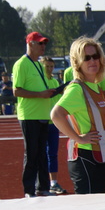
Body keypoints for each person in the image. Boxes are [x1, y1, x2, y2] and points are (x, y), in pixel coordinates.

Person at [50, 36, 105, 195]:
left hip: (101, 156)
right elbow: (56, 114)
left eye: (95, 56)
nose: (92, 61)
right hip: (85, 157)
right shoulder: (77, 89)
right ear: (77, 62)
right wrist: (79, 138)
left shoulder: (97, 86)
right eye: (86, 58)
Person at [13, 31, 58, 198]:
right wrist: (40, 94)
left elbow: (41, 88)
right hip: (29, 116)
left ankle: (43, 187)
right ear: (30, 44)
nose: (43, 46)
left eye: (44, 43)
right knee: (31, 153)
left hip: (42, 115)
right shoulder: (21, 64)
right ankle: (29, 190)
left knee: (42, 154)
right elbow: (16, 91)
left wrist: (53, 91)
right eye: (40, 43)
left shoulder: (38, 65)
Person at [40, 56, 67, 195]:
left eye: (51, 66)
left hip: (53, 123)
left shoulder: (55, 81)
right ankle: (41, 182)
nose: (50, 69)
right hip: (41, 120)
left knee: (53, 153)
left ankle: (53, 182)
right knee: (41, 153)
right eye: (47, 66)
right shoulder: (41, 81)